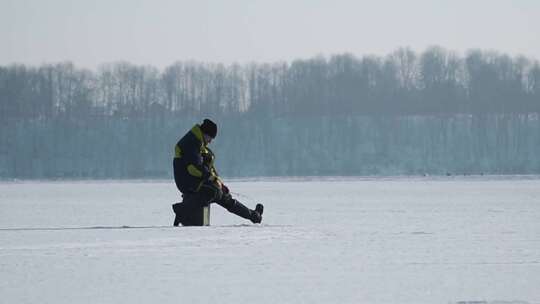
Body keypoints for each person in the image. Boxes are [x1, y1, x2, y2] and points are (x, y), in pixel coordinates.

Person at [172, 119, 263, 226]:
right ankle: (182, 210)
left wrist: (220, 184)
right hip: (187, 182)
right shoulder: (191, 142)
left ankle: (253, 216)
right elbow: (193, 168)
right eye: (210, 138)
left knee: (222, 194)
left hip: (197, 180)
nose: (210, 141)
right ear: (205, 133)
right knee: (213, 192)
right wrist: (212, 179)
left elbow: (209, 169)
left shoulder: (200, 144)